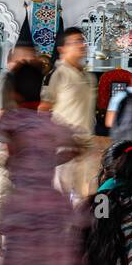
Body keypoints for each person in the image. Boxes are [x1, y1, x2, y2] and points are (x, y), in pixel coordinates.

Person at [0, 61, 87, 265]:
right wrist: (51, 158)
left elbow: (10, 156)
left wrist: (22, 162)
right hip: (51, 203)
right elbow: (78, 146)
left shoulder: (11, 121)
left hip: (27, 203)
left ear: (15, 92)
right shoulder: (51, 124)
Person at [0, 45, 37, 254]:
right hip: (3, 148)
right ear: (13, 60)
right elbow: (1, 116)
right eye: (26, 59)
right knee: (2, 194)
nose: (29, 62)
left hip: (18, 147)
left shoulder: (19, 84)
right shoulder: (4, 82)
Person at [43, 27, 98, 199]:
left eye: (82, 41)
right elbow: (44, 109)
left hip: (86, 146)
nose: (81, 45)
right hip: (64, 146)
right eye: (76, 42)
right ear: (62, 49)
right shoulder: (57, 75)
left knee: (86, 200)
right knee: (59, 198)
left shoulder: (89, 77)